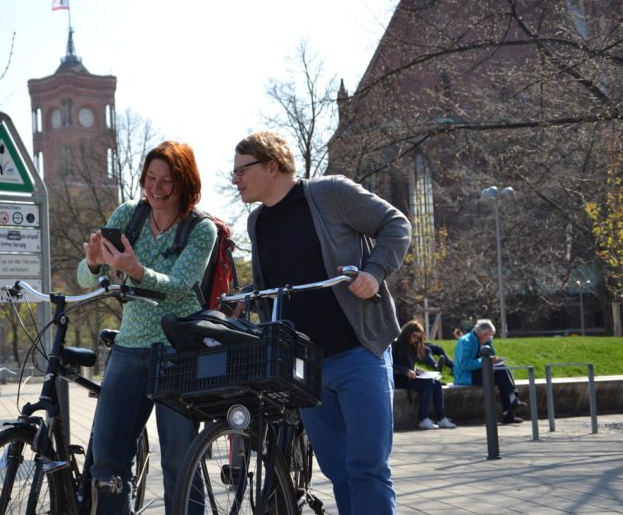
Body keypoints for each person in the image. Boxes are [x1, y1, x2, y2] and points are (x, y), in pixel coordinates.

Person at [232, 131, 411, 514]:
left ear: (272, 165)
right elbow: (278, 283)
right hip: (306, 369)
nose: (236, 180)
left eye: (242, 170)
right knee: (338, 471)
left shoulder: (330, 193)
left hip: (359, 353)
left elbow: (395, 224)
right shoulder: (256, 223)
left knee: (368, 467)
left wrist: (374, 273)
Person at [78, 140, 216, 515]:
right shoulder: (129, 215)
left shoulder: (201, 230)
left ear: (185, 182)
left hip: (176, 350)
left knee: (178, 462)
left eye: (166, 180)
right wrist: (92, 263)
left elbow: (178, 284)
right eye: (150, 178)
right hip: (128, 348)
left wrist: (136, 270)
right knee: (106, 461)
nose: (156, 188)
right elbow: (85, 279)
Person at [453, 318, 526, 424]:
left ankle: (509, 410)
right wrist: (485, 361)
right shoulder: (465, 342)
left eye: (491, 335)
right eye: (487, 335)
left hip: (482, 372)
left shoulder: (487, 341)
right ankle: (512, 401)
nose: (489, 338)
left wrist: (495, 360)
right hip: (468, 376)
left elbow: (491, 357)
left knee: (502, 370)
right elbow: (464, 365)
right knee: (501, 374)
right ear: (478, 332)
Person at [392, 320, 456, 429]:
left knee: (436, 382)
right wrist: (405, 371)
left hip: (410, 377)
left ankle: (441, 418)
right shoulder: (395, 345)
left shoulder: (412, 346)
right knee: (429, 383)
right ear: (407, 333)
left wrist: (416, 370)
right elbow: (390, 365)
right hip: (400, 379)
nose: (416, 339)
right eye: (414, 336)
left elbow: (409, 365)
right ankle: (423, 418)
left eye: (418, 338)